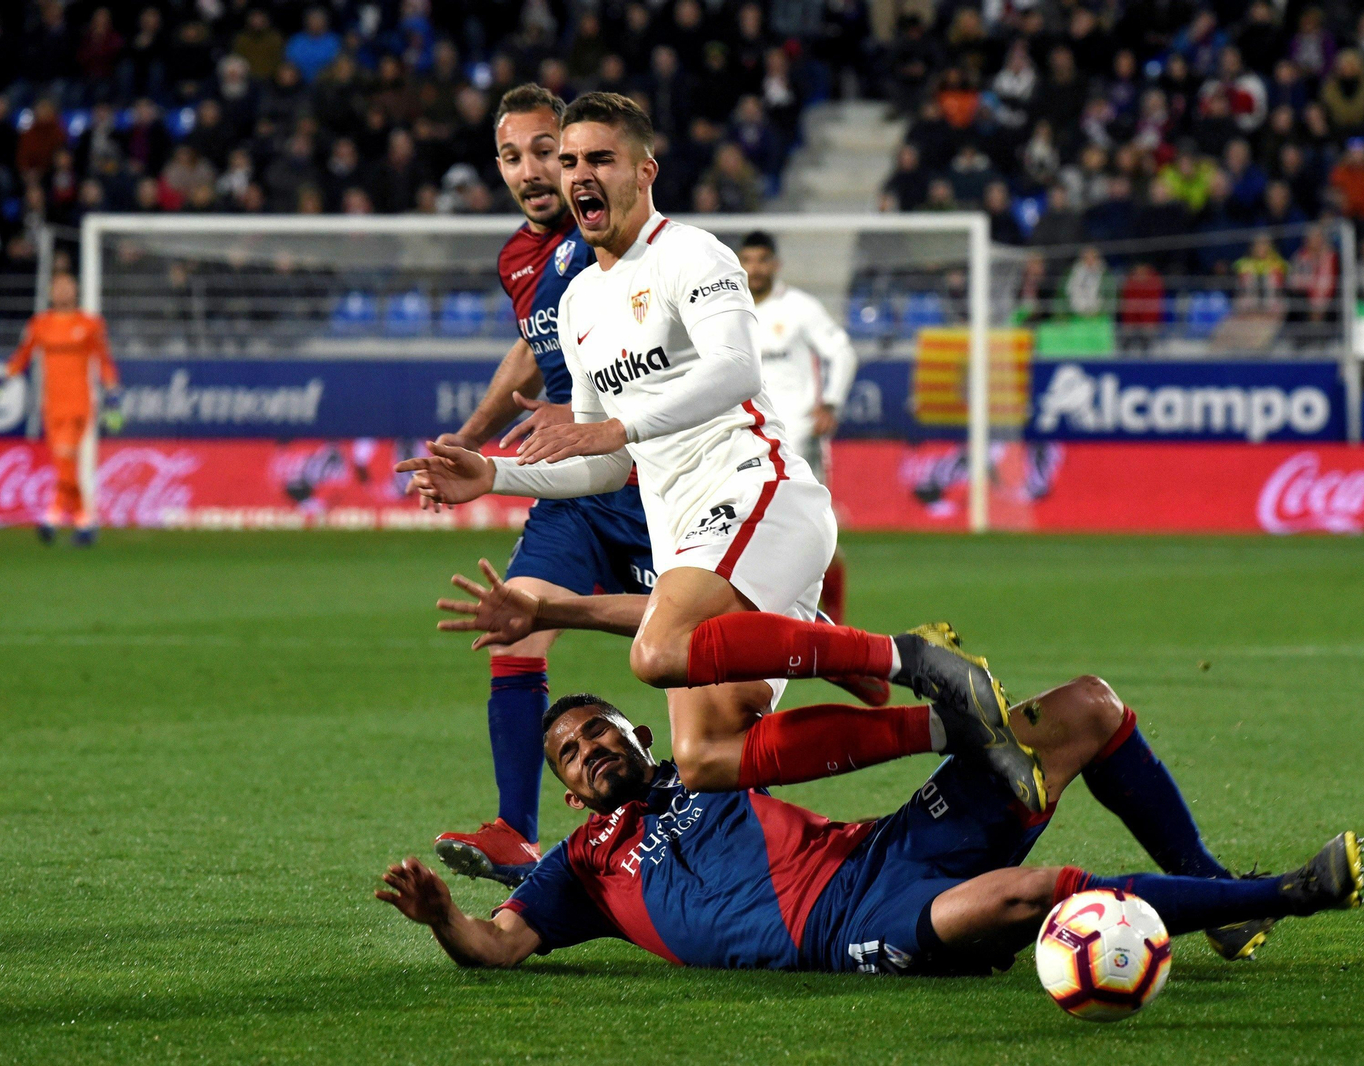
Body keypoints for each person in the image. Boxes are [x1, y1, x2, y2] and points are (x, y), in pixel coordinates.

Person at [396, 92, 1045, 816]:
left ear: (645, 171)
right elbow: (603, 467)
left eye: (599, 159)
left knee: (655, 651)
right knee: (706, 757)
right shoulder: (578, 302)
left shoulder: (690, 252)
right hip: (685, 531)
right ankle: (955, 727)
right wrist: (494, 474)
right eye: (570, 159)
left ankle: (911, 659)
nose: (579, 174)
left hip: (755, 488)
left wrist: (618, 427)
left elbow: (737, 369)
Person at [377, 681, 1364, 972]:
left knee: (1082, 708)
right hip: (847, 923)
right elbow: (496, 945)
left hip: (889, 845)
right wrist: (437, 919)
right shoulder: (580, 865)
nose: (588, 751)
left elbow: (790, 717)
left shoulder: (707, 756)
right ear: (567, 789)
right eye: (567, 754)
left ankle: (1211, 888)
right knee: (1029, 893)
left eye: (599, 732)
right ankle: (1286, 892)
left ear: (638, 732)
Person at [416, 84, 654, 887]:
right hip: (571, 484)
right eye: (512, 156)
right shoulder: (522, 257)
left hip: (649, 476)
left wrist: (601, 405)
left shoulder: (612, 238)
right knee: (516, 625)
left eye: (546, 151)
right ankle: (517, 833)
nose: (532, 170)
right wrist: (469, 440)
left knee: (696, 649)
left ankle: (850, 655)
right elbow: (532, 348)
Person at [737, 230, 858, 623]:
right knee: (752, 527)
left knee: (814, 526)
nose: (754, 268)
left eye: (761, 260)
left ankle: (833, 618)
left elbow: (842, 352)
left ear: (775, 264)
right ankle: (769, 614)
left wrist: (832, 402)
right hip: (746, 438)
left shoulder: (800, 308)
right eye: (748, 260)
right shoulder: (731, 309)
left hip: (797, 437)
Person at [3, 272, 119, 546]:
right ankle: (84, 523)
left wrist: (113, 393)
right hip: (51, 404)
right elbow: (22, 356)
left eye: (68, 286)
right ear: (50, 292)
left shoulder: (89, 324)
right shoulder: (40, 324)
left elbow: (104, 361)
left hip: (79, 403)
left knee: (66, 455)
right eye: (58, 287)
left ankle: (52, 516)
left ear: (76, 290)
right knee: (64, 463)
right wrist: (1, 381)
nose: (63, 291)